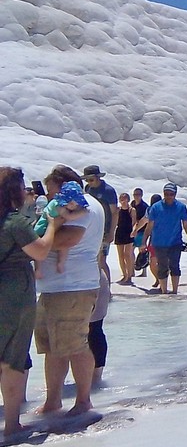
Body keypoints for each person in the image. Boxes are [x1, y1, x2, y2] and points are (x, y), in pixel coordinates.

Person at [35, 165, 105, 418]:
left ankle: (83, 400)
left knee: (75, 344)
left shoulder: (82, 205)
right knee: (52, 346)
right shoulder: (71, 205)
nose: (50, 197)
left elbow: (67, 240)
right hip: (55, 288)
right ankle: (53, 400)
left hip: (73, 287)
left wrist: (33, 242)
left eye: (52, 191)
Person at [0, 167, 64, 436]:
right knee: (12, 358)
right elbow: (40, 251)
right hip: (13, 292)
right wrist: (52, 224)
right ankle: (12, 424)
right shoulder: (15, 222)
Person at [138, 182, 187, 295]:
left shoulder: (181, 207)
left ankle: (174, 291)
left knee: (175, 266)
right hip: (159, 243)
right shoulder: (155, 207)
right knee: (162, 267)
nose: (168, 196)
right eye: (166, 194)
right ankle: (164, 292)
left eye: (171, 194)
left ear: (175, 194)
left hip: (175, 242)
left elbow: (185, 224)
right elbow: (149, 226)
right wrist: (143, 242)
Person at [83, 164, 119, 284]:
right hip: (90, 229)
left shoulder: (108, 191)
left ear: (98, 177)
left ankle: (107, 288)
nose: (89, 182)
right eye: (87, 180)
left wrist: (111, 232)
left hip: (104, 230)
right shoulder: (88, 189)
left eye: (91, 179)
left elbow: (114, 213)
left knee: (102, 260)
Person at [114, 191, 136, 284]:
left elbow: (134, 222)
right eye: (121, 199)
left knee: (128, 254)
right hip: (120, 232)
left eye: (124, 199)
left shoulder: (132, 210)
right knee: (120, 255)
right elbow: (115, 222)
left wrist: (134, 231)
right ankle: (124, 274)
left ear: (128, 199)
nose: (123, 201)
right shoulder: (118, 210)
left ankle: (129, 274)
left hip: (128, 232)